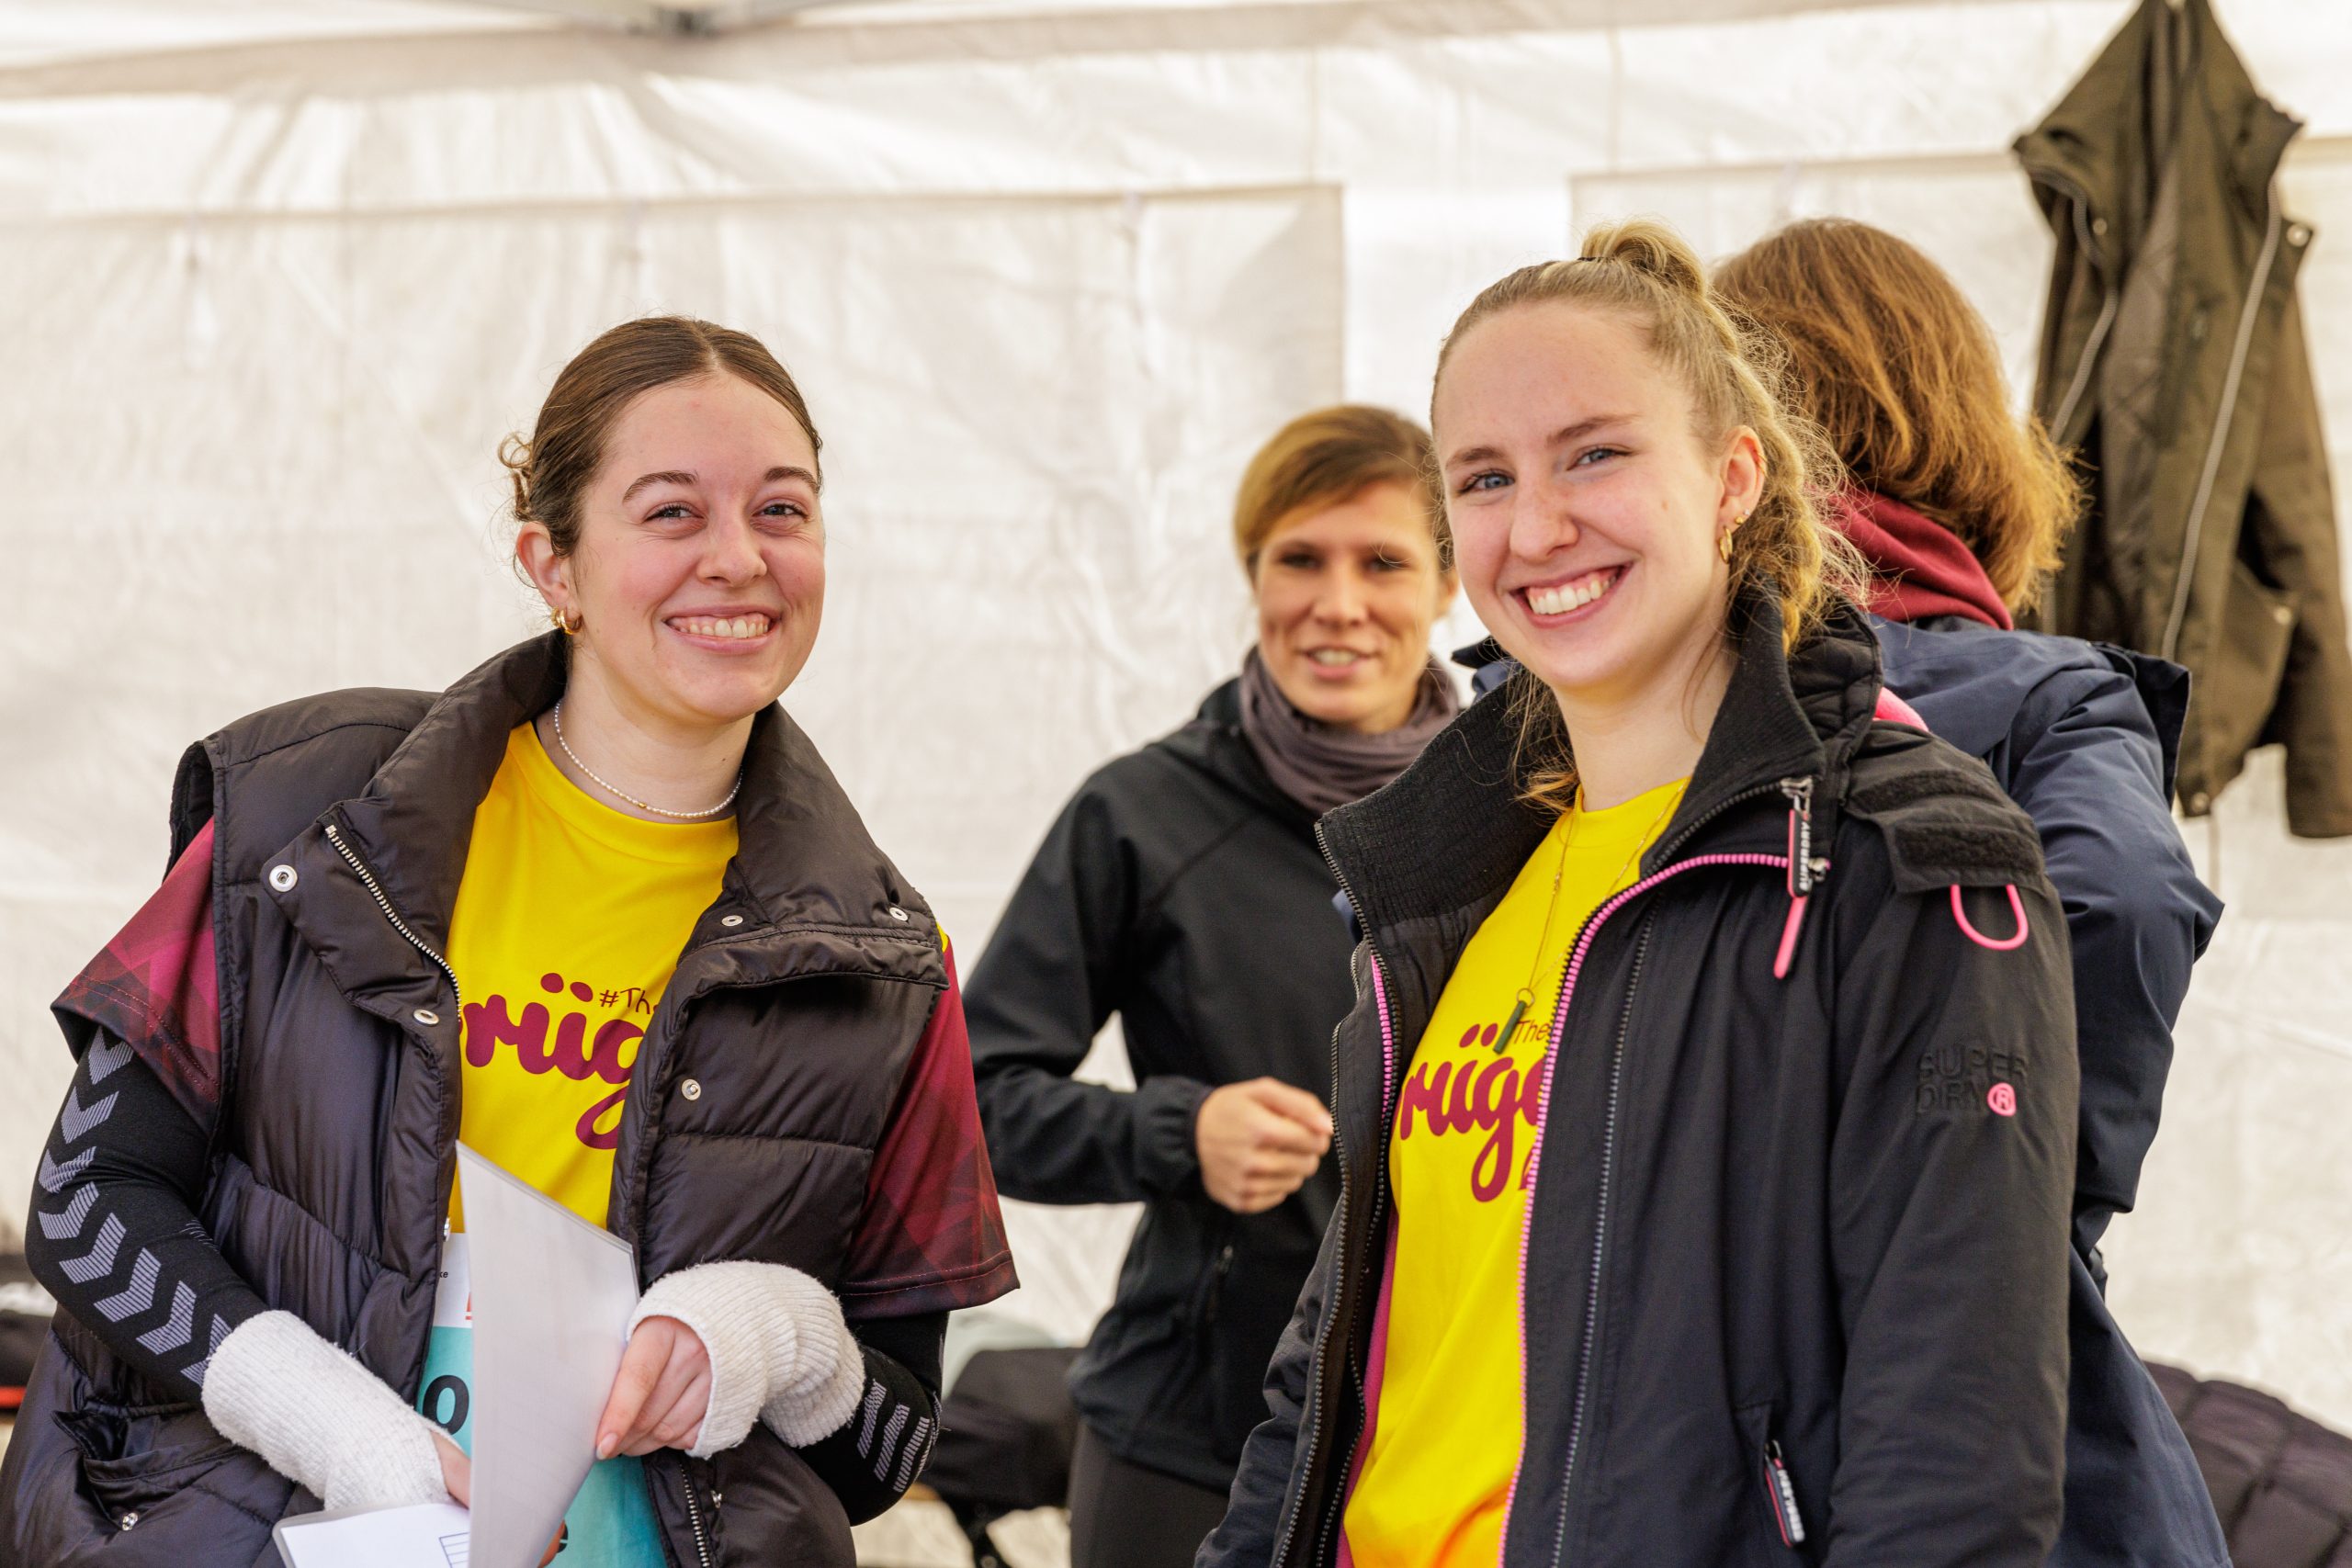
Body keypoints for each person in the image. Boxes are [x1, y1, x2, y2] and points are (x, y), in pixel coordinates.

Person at [3, 317, 1017, 1567]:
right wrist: (339, 1428)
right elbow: (90, 1202)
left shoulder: (885, 959)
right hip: (256, 1532)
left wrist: (776, 1330)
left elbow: (887, 1443)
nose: (740, 559)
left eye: (783, 509)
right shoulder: (304, 817)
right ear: (555, 564)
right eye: (671, 513)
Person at [1199, 222, 2080, 1568]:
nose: (1537, 526)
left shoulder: (1901, 858)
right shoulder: (1447, 872)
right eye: (1484, 477)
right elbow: (1338, 1360)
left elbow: (1954, 1449)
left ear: (1733, 476)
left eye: (1596, 453)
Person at [1715, 215, 2229, 1567]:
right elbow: (2119, 903)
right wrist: (2011, 1185)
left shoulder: (1642, 699)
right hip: (1979, 1370)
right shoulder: (2045, 691)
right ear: (1970, 422)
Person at [967, 406, 1459, 1568]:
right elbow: (969, 1103)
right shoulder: (1139, 814)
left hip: (1451, 1422)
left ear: (1449, 586)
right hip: (1190, 1443)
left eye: (1383, 561)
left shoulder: (1524, 813)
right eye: (1301, 559)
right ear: (1254, 578)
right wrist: (1184, 1132)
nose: (1338, 603)